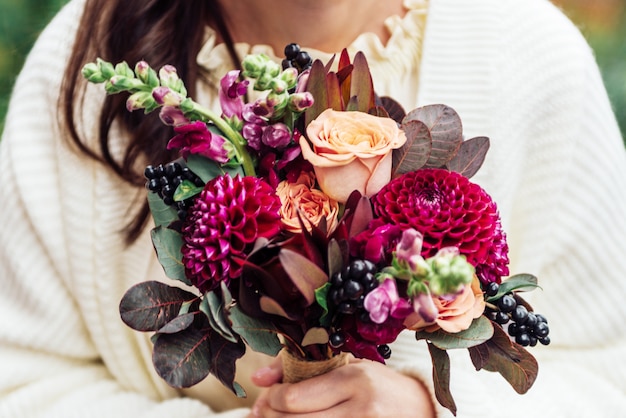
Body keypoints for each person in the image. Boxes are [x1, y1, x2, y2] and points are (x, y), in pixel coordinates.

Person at [1, 0, 624, 416]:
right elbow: (18, 382)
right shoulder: (84, 60)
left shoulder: (530, 54)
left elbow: (607, 378)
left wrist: (426, 410)